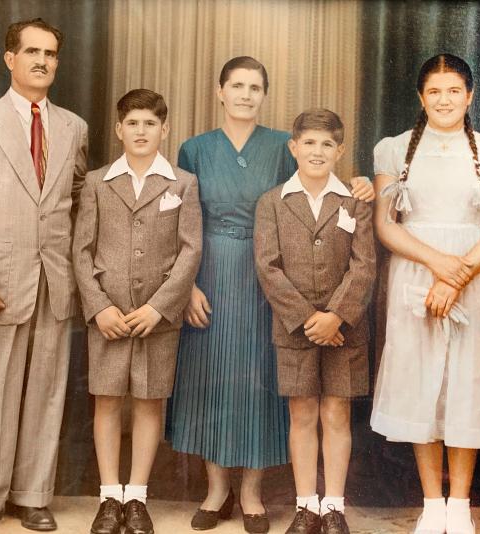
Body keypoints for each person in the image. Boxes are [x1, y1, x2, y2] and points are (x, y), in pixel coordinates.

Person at [167, 56, 375, 534]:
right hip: (211, 274)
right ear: (219, 91)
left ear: (264, 94)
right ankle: (215, 489)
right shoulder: (195, 149)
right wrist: (187, 285)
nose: (244, 94)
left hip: (274, 287)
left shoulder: (285, 144)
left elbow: (316, 185)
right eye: (236, 86)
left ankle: (253, 493)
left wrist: (361, 184)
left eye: (254, 87)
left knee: (261, 381)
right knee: (210, 378)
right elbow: (182, 219)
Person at [370, 53, 480, 534]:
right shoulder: (393, 150)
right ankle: (431, 503)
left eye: (454, 90)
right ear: (421, 97)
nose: (444, 100)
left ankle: (459, 505)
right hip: (415, 277)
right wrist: (436, 265)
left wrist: (455, 277)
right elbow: (384, 226)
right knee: (422, 385)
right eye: (434, 91)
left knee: (466, 386)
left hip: (475, 278)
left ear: (470, 95)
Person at [0, 18, 88, 534]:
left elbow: (74, 202)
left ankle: (33, 496)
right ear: (10, 59)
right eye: (31, 51)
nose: (42, 61)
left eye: (50, 53)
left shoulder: (73, 127)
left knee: (47, 391)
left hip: (54, 280)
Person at [73, 88, 202, 534]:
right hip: (109, 316)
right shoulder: (97, 182)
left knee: (149, 402)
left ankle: (138, 497)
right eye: (133, 123)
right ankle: (110, 497)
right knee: (107, 400)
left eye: (151, 123)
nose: (141, 131)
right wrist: (99, 308)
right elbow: (81, 251)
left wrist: (159, 307)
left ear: (164, 129)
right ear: (118, 129)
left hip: (155, 318)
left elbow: (190, 251)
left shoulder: (182, 182)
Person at [254, 109, 376, 534]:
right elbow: (268, 268)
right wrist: (308, 318)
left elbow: (364, 266)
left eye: (327, 144)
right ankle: (306, 506)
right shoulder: (272, 202)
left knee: (337, 414)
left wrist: (337, 316)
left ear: (340, 150)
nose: (317, 151)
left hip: (346, 330)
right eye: (309, 143)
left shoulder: (354, 201)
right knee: (302, 416)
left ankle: (333, 508)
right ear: (293, 147)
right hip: (296, 329)